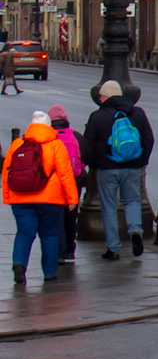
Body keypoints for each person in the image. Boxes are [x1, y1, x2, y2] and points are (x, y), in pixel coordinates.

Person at [3, 110, 79, 284]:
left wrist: (7, 197)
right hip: (50, 200)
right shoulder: (55, 145)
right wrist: (72, 199)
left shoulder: (17, 145)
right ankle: (50, 272)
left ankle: (19, 263)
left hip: (21, 199)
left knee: (24, 233)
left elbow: (7, 172)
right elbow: (65, 174)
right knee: (50, 234)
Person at [82, 79, 154, 260]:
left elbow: (88, 144)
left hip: (106, 168)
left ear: (105, 97)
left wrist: (93, 164)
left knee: (109, 207)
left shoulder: (97, 116)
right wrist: (141, 160)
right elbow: (148, 139)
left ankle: (113, 248)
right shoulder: (137, 114)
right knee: (132, 201)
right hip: (132, 166)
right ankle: (135, 230)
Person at [48, 104, 84, 264]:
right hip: (74, 181)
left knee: (58, 216)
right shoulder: (75, 135)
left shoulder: (49, 136)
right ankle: (70, 249)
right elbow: (87, 155)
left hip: (55, 182)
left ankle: (60, 251)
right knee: (71, 216)